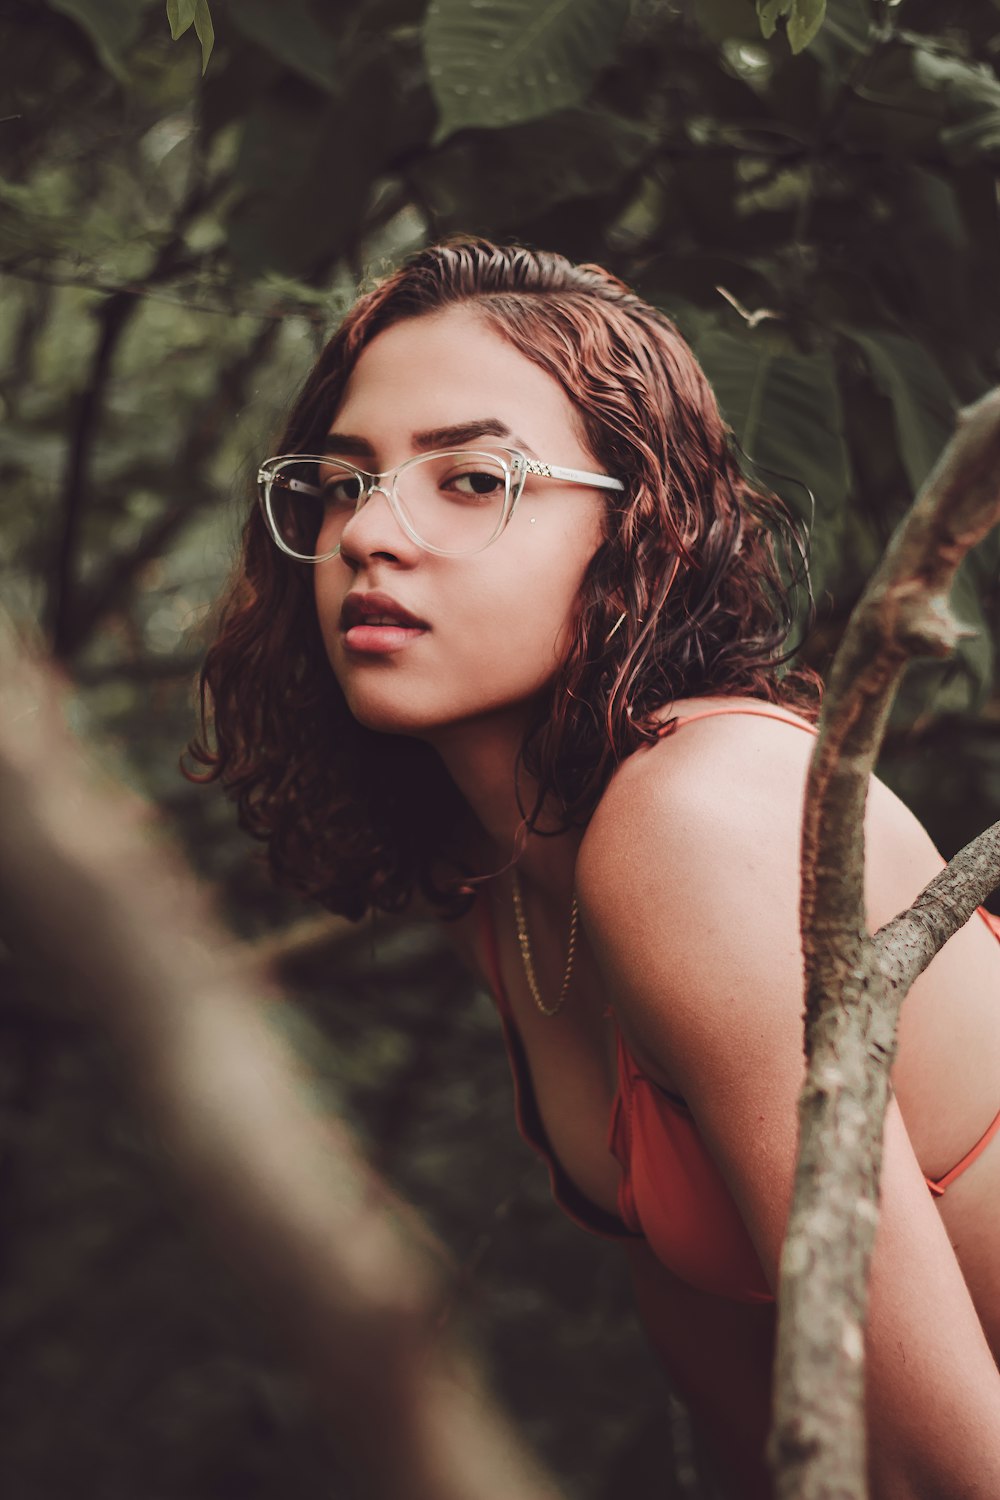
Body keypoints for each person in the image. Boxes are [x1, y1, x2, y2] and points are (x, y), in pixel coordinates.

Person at [190, 239, 1000, 1497]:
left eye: (469, 479)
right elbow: (738, 1375)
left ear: (641, 526)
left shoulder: (694, 821)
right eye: (342, 485)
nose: (369, 535)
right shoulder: (503, 875)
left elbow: (932, 1465)